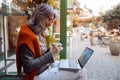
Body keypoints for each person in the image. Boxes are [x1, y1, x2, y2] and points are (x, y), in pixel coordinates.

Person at [16, 3, 87, 80]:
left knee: (74, 66)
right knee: (81, 71)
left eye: (52, 21)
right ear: (40, 16)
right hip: (36, 74)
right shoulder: (28, 35)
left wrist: (51, 50)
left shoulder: (37, 33)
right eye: (50, 19)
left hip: (44, 67)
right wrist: (51, 53)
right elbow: (28, 67)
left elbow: (39, 55)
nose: (50, 24)